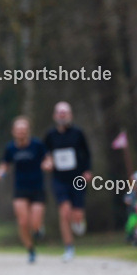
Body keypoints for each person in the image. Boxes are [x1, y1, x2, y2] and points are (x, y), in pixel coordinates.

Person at [41, 102, 92, 262]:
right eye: (59, 113)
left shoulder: (78, 133)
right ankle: (69, 247)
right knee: (64, 212)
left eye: (65, 112)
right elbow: (45, 154)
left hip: (77, 179)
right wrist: (47, 162)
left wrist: (87, 171)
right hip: (59, 179)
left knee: (76, 214)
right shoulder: (50, 135)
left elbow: (87, 153)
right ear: (55, 116)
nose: (62, 115)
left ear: (70, 115)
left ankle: (79, 220)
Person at [0, 116, 47, 263]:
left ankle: (38, 229)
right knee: (23, 222)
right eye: (18, 130)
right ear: (13, 132)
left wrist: (48, 164)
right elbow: (5, 164)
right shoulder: (10, 148)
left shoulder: (37, 145)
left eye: (24, 130)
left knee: (34, 222)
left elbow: (47, 158)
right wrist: (0, 172)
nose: (21, 132)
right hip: (20, 188)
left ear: (28, 131)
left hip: (37, 187)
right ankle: (30, 249)